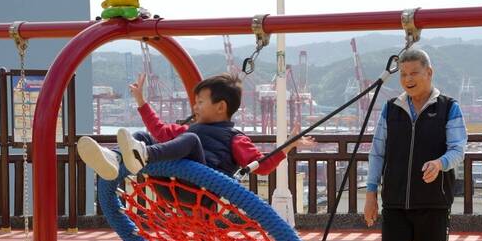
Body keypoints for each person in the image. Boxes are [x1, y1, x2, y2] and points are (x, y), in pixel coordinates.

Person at [361, 48, 467, 241]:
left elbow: (458, 148)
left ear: (429, 73)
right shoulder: (390, 109)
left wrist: (440, 163)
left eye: (414, 73)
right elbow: (377, 152)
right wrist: (371, 193)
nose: (408, 79)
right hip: (395, 205)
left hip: (434, 205)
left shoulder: (449, 108)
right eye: (403, 74)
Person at [77, 72, 314, 181]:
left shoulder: (234, 138)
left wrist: (288, 145)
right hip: (170, 181)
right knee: (142, 135)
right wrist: (141, 102)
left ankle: (144, 155)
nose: (195, 106)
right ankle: (114, 160)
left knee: (191, 141)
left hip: (202, 188)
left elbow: (261, 166)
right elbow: (160, 131)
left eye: (200, 102)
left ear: (221, 107)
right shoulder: (189, 129)